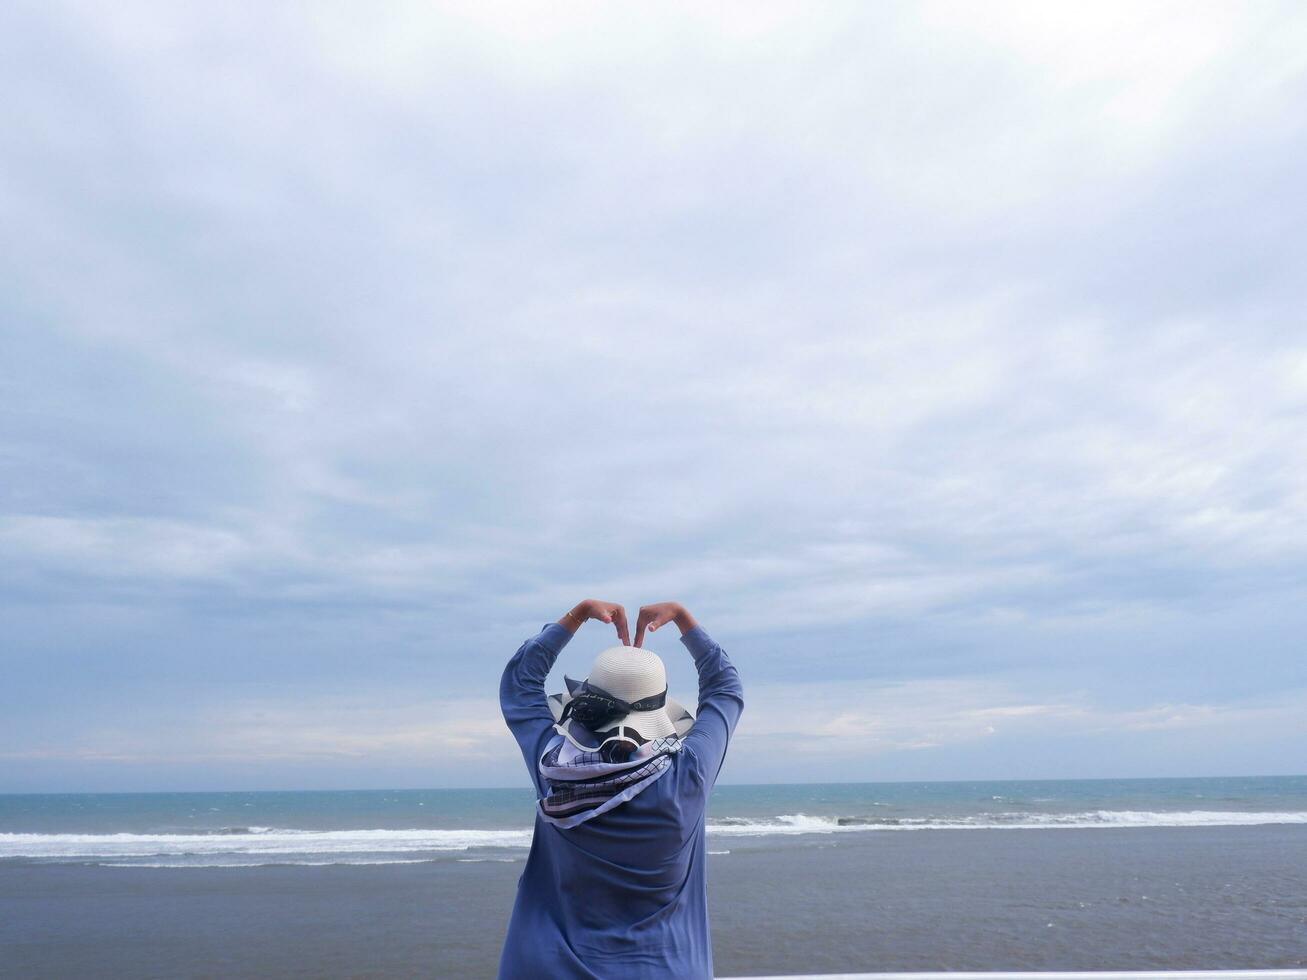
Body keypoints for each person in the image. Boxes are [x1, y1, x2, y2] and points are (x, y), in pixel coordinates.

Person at [497, 599, 744, 979]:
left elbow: (519, 685)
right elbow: (725, 691)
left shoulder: (554, 770)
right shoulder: (687, 777)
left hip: (544, 967)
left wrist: (575, 616)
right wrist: (683, 618)